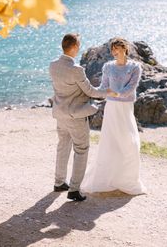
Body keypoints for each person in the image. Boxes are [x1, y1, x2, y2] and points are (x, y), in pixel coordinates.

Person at [49, 33, 117, 201]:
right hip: (75, 115)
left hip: (60, 113)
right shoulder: (76, 70)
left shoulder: (53, 65)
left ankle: (59, 182)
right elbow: (90, 92)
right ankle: (74, 189)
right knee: (81, 149)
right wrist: (107, 92)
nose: (79, 48)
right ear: (73, 47)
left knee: (62, 146)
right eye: (78, 45)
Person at [82, 37, 146, 195]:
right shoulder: (108, 67)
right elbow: (103, 87)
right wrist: (89, 91)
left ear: (125, 48)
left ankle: (127, 180)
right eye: (112, 50)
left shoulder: (135, 67)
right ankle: (107, 180)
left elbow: (131, 88)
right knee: (110, 142)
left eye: (117, 48)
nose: (114, 52)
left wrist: (115, 93)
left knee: (130, 143)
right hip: (111, 108)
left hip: (125, 108)